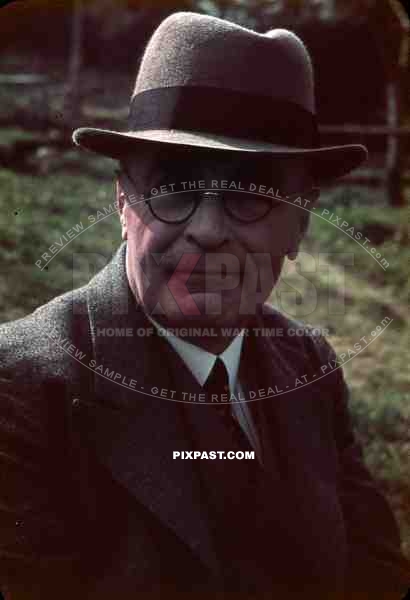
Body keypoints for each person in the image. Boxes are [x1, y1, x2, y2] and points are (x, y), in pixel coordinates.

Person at [0, 11, 408, 600]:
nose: (209, 229)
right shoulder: (22, 390)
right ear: (122, 200)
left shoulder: (310, 367)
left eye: (251, 193)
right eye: (174, 188)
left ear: (300, 224)